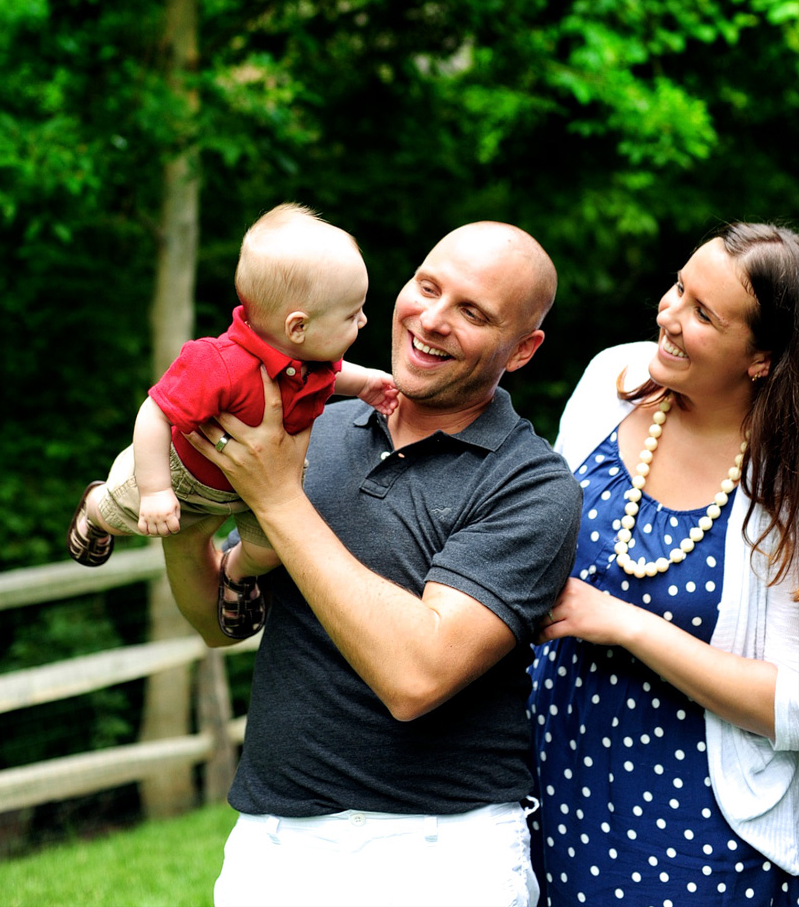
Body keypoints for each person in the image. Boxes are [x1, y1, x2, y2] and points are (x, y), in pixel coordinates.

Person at [163, 221, 583, 907]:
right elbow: (220, 622)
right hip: (273, 842)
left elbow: (416, 676)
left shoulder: (531, 485)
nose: (433, 319)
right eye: (427, 286)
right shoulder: (312, 424)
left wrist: (277, 498)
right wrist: (187, 532)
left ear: (524, 347)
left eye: (472, 312)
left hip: (438, 853)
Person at [529, 222, 799, 907]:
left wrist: (629, 625)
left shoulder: (786, 488)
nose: (670, 315)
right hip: (546, 779)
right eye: (680, 286)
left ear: (760, 357)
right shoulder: (609, 382)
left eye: (703, 314)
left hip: (695, 825)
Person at [66, 204, 397, 638]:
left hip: (264, 485)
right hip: (181, 477)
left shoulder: (314, 359)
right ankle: (93, 508)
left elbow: (337, 374)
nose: (364, 320)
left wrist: (368, 382)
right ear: (297, 327)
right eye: (353, 314)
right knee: (118, 513)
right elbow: (155, 411)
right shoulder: (217, 364)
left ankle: (236, 573)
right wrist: (155, 490)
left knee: (272, 549)